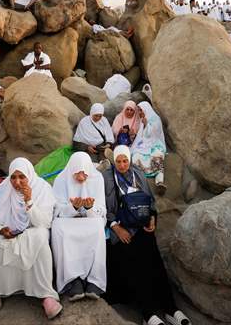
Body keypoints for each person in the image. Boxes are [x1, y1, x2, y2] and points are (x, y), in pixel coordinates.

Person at [102, 145, 191, 325]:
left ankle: (170, 308)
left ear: (129, 160)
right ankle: (148, 312)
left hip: (141, 227)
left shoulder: (138, 175)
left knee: (154, 263)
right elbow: (104, 209)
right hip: (122, 230)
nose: (122, 165)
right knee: (136, 267)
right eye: (118, 161)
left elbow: (149, 202)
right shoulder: (107, 179)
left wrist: (151, 218)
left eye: (125, 160)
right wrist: (115, 227)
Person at [0, 158, 62, 324]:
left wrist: (29, 201)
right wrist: (0, 230)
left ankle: (45, 295)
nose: (17, 182)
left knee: (41, 237)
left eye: (22, 177)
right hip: (6, 234)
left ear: (29, 175)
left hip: (31, 233)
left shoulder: (42, 188)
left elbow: (44, 223)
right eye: (13, 177)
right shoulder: (2, 189)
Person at [51, 152, 107, 301]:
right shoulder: (61, 180)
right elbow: (56, 210)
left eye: (84, 172)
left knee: (97, 228)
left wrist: (89, 208)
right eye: (78, 172)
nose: (81, 176)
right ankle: (72, 281)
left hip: (90, 219)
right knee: (58, 229)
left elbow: (101, 209)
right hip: (67, 221)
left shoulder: (97, 179)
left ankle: (93, 281)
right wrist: (73, 208)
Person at [130, 102, 167, 189]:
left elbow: (154, 134)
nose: (139, 112)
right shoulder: (143, 119)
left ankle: (159, 182)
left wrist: (146, 124)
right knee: (135, 155)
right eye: (138, 110)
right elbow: (142, 136)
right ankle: (137, 181)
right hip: (145, 144)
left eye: (141, 110)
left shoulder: (155, 119)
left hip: (156, 143)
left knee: (157, 156)